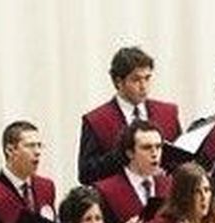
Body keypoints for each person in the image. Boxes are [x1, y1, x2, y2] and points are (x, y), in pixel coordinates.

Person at [78, 46, 182, 184]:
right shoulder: (96, 120)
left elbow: (182, 161)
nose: (143, 86)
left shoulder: (168, 113)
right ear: (118, 82)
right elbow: (86, 174)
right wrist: (124, 154)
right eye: (136, 80)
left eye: (147, 78)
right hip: (119, 199)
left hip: (165, 196)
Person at [92, 120, 171, 223]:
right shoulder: (104, 191)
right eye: (147, 147)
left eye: (158, 147)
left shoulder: (170, 185)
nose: (155, 153)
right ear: (130, 153)